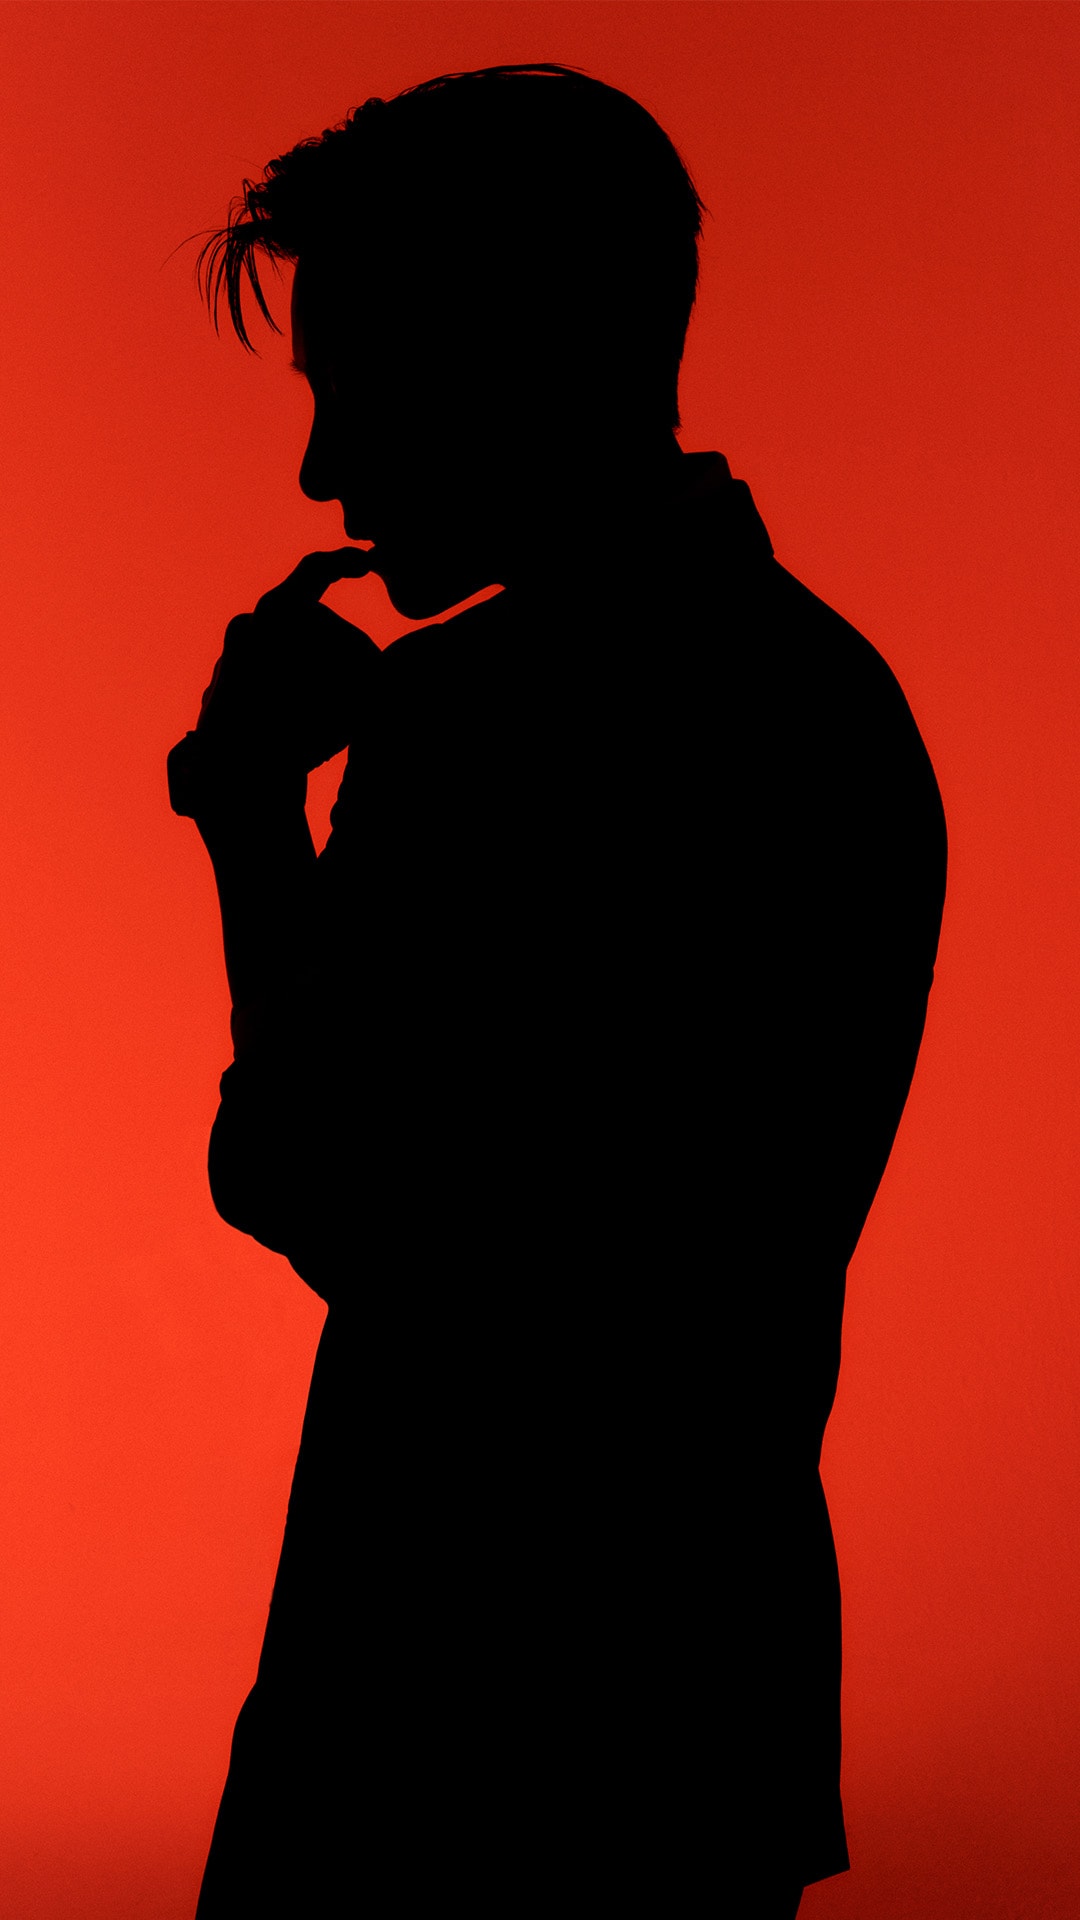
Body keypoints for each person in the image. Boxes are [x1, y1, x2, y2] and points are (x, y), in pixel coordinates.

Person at [168, 64, 947, 1917]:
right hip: (699, 1715)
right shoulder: (833, 698)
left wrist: (252, 826)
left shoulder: (488, 720)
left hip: (428, 1731)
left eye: (351, 386)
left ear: (508, 354)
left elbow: (308, 1172)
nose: (322, 473)